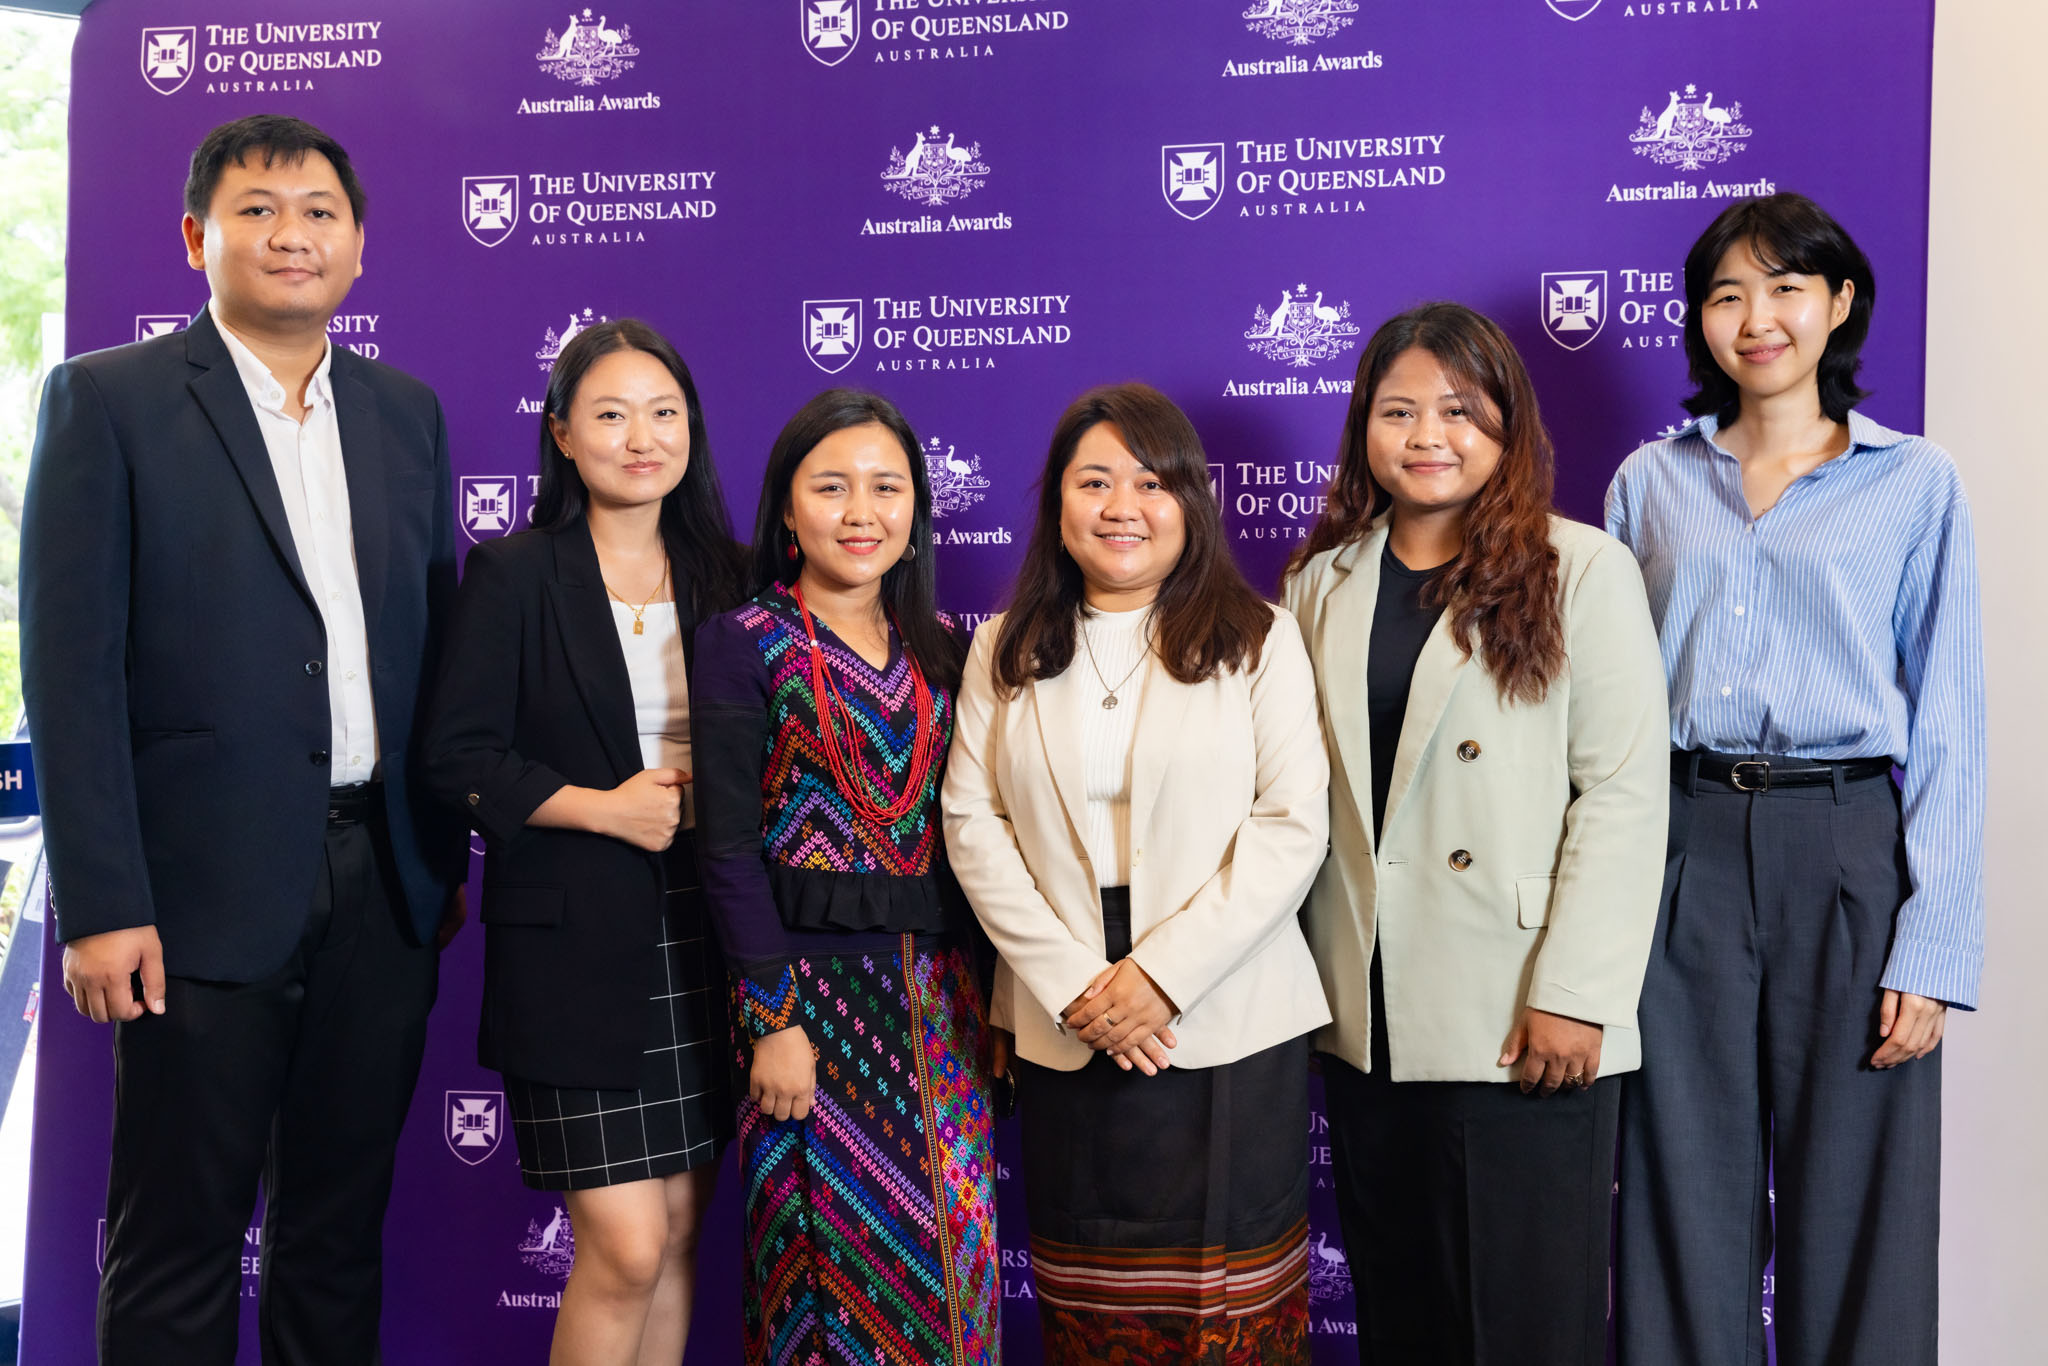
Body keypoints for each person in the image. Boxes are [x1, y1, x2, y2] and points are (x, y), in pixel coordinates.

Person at [20, 115, 468, 1363]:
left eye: (320, 211)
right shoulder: (107, 401)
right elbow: (68, 669)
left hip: (379, 886)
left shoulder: (405, 414)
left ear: (360, 247)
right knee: (176, 1243)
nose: (292, 234)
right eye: (259, 208)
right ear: (196, 236)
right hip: (190, 898)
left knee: (337, 1236)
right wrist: (103, 900)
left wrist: (431, 864)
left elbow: (426, 644)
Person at [1607, 193, 1981, 1366]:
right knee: (1678, 1192)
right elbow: (1605, 718)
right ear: (1698, 321)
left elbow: (1951, 725)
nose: (1754, 317)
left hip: (1846, 845)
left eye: (1782, 288)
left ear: (1838, 303)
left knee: (1859, 1199)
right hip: (1684, 841)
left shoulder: (1912, 483)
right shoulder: (1647, 484)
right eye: (1725, 294)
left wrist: (1931, 944)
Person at [1282, 303, 1669, 1364]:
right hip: (1369, 1017)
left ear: (1505, 423)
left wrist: (1573, 993)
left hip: (1517, 1015)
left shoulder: (1578, 567)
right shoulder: (1320, 582)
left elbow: (1624, 793)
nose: (1425, 434)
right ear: (1362, 425)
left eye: (1457, 409)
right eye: (1397, 409)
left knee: (1524, 1329)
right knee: (1402, 1322)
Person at [944, 383, 1331, 1363]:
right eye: (1094, 480)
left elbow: (1290, 827)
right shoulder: (1003, 648)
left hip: (1227, 1016)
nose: (1122, 504)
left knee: (1229, 1318)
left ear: (1191, 501)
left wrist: (1159, 978)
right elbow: (971, 825)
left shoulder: (1258, 636)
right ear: (1057, 505)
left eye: (1150, 481)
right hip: (1065, 1022)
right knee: (1090, 1314)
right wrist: (1078, 986)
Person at [422, 319, 747, 1365]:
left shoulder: (730, 580)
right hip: (571, 955)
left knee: (684, 1232)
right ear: (562, 435)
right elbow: (456, 754)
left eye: (663, 413)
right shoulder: (514, 574)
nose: (639, 437)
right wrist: (602, 806)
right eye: (609, 414)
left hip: (710, 939)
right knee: (625, 1242)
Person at [691, 389, 998, 1366]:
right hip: (807, 1018)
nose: (859, 512)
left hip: (941, 1015)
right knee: (825, 1288)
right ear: (787, 508)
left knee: (955, 1276)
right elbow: (728, 850)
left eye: (884, 487)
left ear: (915, 510)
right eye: (830, 487)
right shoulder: (742, 642)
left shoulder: (944, 647)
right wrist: (769, 1021)